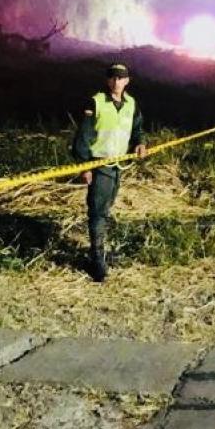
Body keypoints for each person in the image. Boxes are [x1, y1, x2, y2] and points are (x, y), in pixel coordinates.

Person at [71, 63, 147, 282]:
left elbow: (137, 128)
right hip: (100, 164)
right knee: (98, 211)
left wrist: (140, 143)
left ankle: (99, 251)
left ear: (127, 81)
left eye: (120, 78)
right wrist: (85, 166)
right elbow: (83, 137)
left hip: (117, 166)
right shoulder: (96, 102)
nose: (116, 82)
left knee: (105, 207)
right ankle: (97, 259)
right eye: (112, 78)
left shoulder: (131, 104)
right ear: (107, 80)